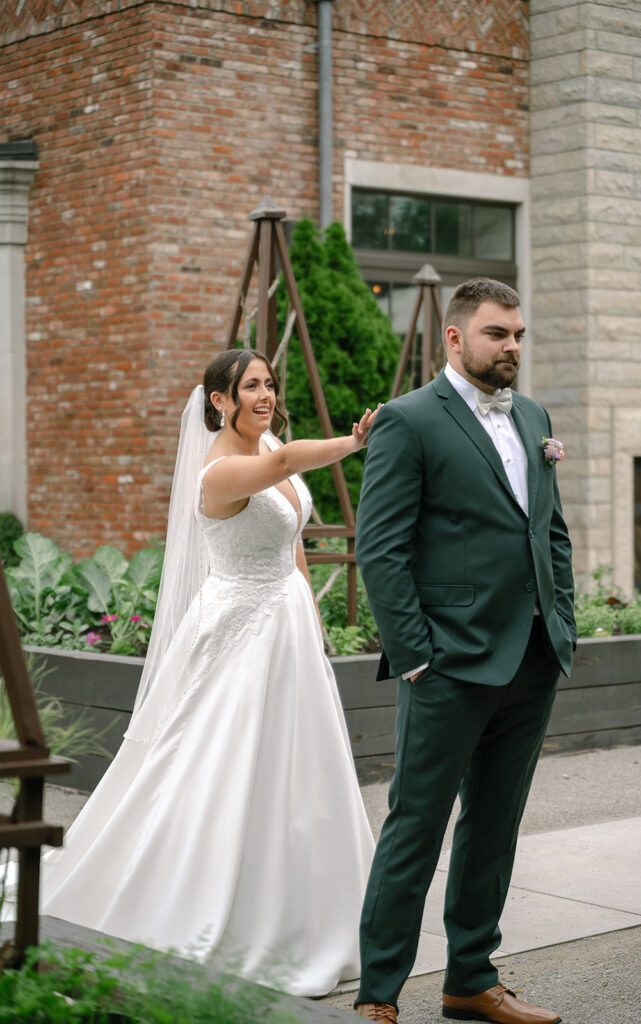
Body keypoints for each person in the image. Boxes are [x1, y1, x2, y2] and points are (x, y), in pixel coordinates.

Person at [41, 348, 376, 997]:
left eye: (270, 385)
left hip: (287, 627)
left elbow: (291, 539)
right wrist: (353, 441)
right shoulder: (219, 471)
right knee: (222, 760)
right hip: (238, 626)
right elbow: (279, 467)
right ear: (218, 400)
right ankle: (210, 902)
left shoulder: (269, 441)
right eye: (251, 386)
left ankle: (315, 908)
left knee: (298, 767)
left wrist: (309, 609)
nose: (266, 395)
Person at [353, 279, 576, 1024]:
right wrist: (416, 655)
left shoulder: (536, 415)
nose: (511, 346)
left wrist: (562, 624)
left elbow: (549, 531)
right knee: (416, 826)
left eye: (517, 334)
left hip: (532, 659)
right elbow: (379, 550)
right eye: (496, 334)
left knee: (495, 826)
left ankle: (470, 980)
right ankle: (377, 997)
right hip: (447, 665)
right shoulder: (408, 421)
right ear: (455, 338)